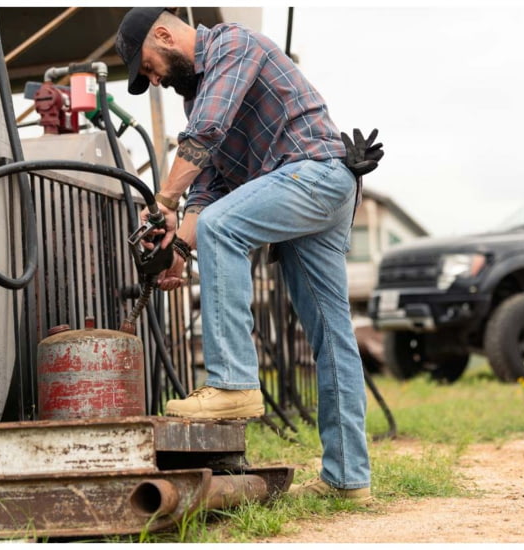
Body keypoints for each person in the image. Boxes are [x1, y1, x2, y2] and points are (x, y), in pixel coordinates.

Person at [116, 7, 382, 502]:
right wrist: (174, 246)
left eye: (147, 67)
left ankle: (233, 382)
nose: (151, 80)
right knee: (332, 333)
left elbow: (207, 136)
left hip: (315, 174)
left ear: (164, 34)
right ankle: (349, 480)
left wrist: (164, 200)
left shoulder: (233, 45)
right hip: (308, 191)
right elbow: (210, 184)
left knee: (222, 228)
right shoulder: (198, 97)